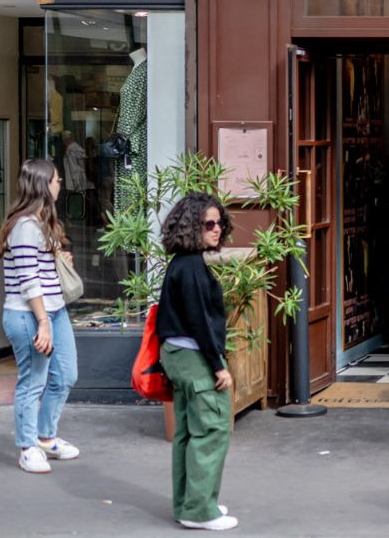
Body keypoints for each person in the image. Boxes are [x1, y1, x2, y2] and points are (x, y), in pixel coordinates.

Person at [153, 192, 239, 532]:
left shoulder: (183, 263)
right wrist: (219, 365)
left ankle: (189, 503)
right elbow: (200, 322)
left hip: (178, 353)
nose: (217, 229)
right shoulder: (190, 268)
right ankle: (200, 510)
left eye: (219, 223)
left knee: (189, 432)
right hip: (192, 356)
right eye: (209, 224)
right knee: (213, 428)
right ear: (192, 226)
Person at [0, 158, 80, 475]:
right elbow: (29, 280)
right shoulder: (24, 227)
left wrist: (59, 258)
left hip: (54, 311)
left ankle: (45, 437)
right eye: (57, 179)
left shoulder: (42, 224)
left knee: (65, 376)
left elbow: (41, 271)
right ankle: (28, 447)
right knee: (33, 382)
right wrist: (43, 323)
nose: (61, 183)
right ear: (44, 185)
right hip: (29, 315)